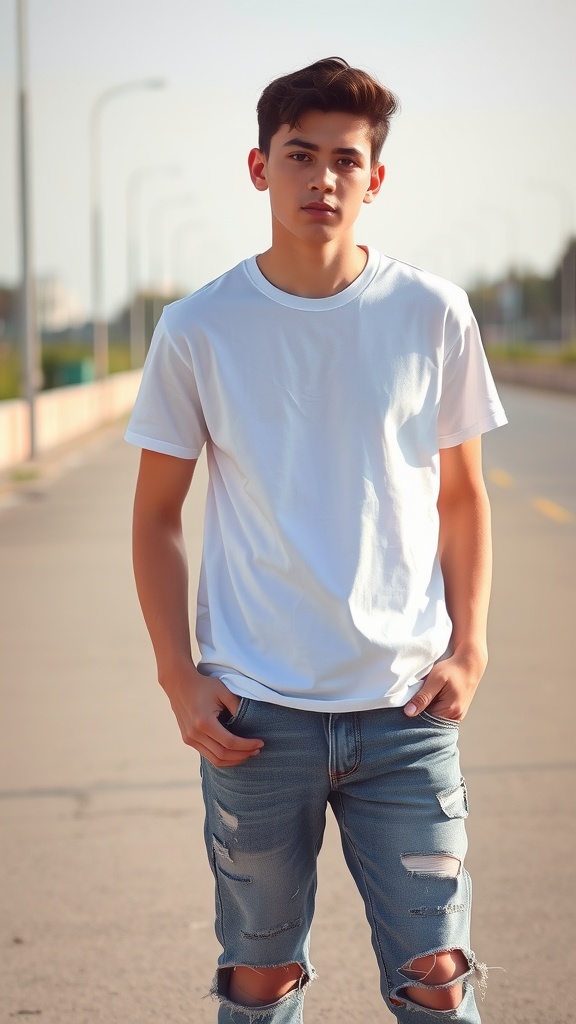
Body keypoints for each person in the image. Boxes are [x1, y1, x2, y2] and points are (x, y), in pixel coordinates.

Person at [125, 56, 507, 1023]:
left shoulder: (432, 313)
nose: (322, 180)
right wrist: (179, 672)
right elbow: (155, 516)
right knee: (260, 980)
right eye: (300, 156)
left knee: (437, 978)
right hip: (255, 716)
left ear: (375, 178)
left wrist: (469, 648)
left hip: (405, 713)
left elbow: (461, 498)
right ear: (259, 168)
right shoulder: (198, 327)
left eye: (346, 160)